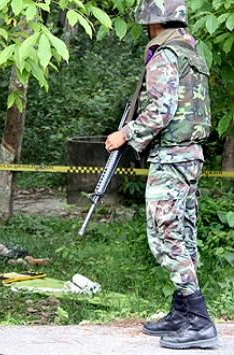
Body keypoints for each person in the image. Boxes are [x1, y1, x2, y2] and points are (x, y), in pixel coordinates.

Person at [105, 0, 218, 350]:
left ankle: (199, 321)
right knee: (183, 230)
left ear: (153, 22)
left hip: (172, 158)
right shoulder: (192, 54)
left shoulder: (165, 54)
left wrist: (125, 134)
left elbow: (161, 110)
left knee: (165, 235)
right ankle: (182, 312)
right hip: (191, 154)